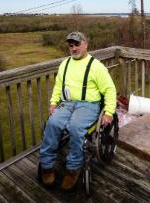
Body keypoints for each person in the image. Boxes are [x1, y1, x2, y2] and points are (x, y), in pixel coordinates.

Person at [39, 31, 117, 190]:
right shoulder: (65, 64)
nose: (74, 48)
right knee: (52, 123)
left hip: (88, 105)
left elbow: (109, 89)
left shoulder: (96, 66)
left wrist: (108, 112)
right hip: (67, 103)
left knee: (75, 127)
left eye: (77, 44)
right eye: (71, 45)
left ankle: (73, 168)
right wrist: (53, 102)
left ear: (85, 44)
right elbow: (58, 86)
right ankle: (46, 165)